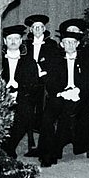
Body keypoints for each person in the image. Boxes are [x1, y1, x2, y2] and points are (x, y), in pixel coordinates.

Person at [38, 29, 89, 167]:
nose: (69, 45)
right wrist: (61, 92)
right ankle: (46, 151)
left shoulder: (86, 60)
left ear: (77, 44)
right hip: (60, 95)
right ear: (62, 45)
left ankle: (54, 152)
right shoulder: (56, 60)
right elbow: (50, 83)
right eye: (66, 42)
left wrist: (77, 91)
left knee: (67, 113)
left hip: (81, 98)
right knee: (48, 116)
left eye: (72, 42)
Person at [0, 25, 40, 159]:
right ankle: (4, 147)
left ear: (21, 41)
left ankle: (9, 146)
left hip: (22, 97)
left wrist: (18, 91)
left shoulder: (29, 61)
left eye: (16, 38)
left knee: (24, 114)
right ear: (4, 41)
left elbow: (33, 83)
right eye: (10, 39)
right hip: (2, 97)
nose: (13, 42)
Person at [23, 14, 60, 157]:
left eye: (40, 27)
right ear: (31, 30)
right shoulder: (25, 45)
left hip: (45, 83)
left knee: (44, 111)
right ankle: (31, 141)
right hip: (29, 83)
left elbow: (55, 64)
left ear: (44, 29)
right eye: (35, 27)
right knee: (27, 109)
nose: (38, 30)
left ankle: (43, 145)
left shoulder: (51, 45)